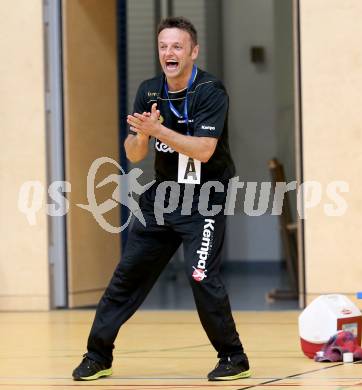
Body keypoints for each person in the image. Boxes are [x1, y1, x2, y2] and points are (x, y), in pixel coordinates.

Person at [72, 16, 251, 382]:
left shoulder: (210, 91)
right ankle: (97, 355)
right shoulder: (149, 90)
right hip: (164, 197)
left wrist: (158, 130)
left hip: (205, 199)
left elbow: (203, 150)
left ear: (193, 51)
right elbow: (136, 154)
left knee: (201, 276)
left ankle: (233, 357)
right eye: (163, 46)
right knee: (127, 275)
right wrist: (142, 135)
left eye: (177, 46)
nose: (169, 52)